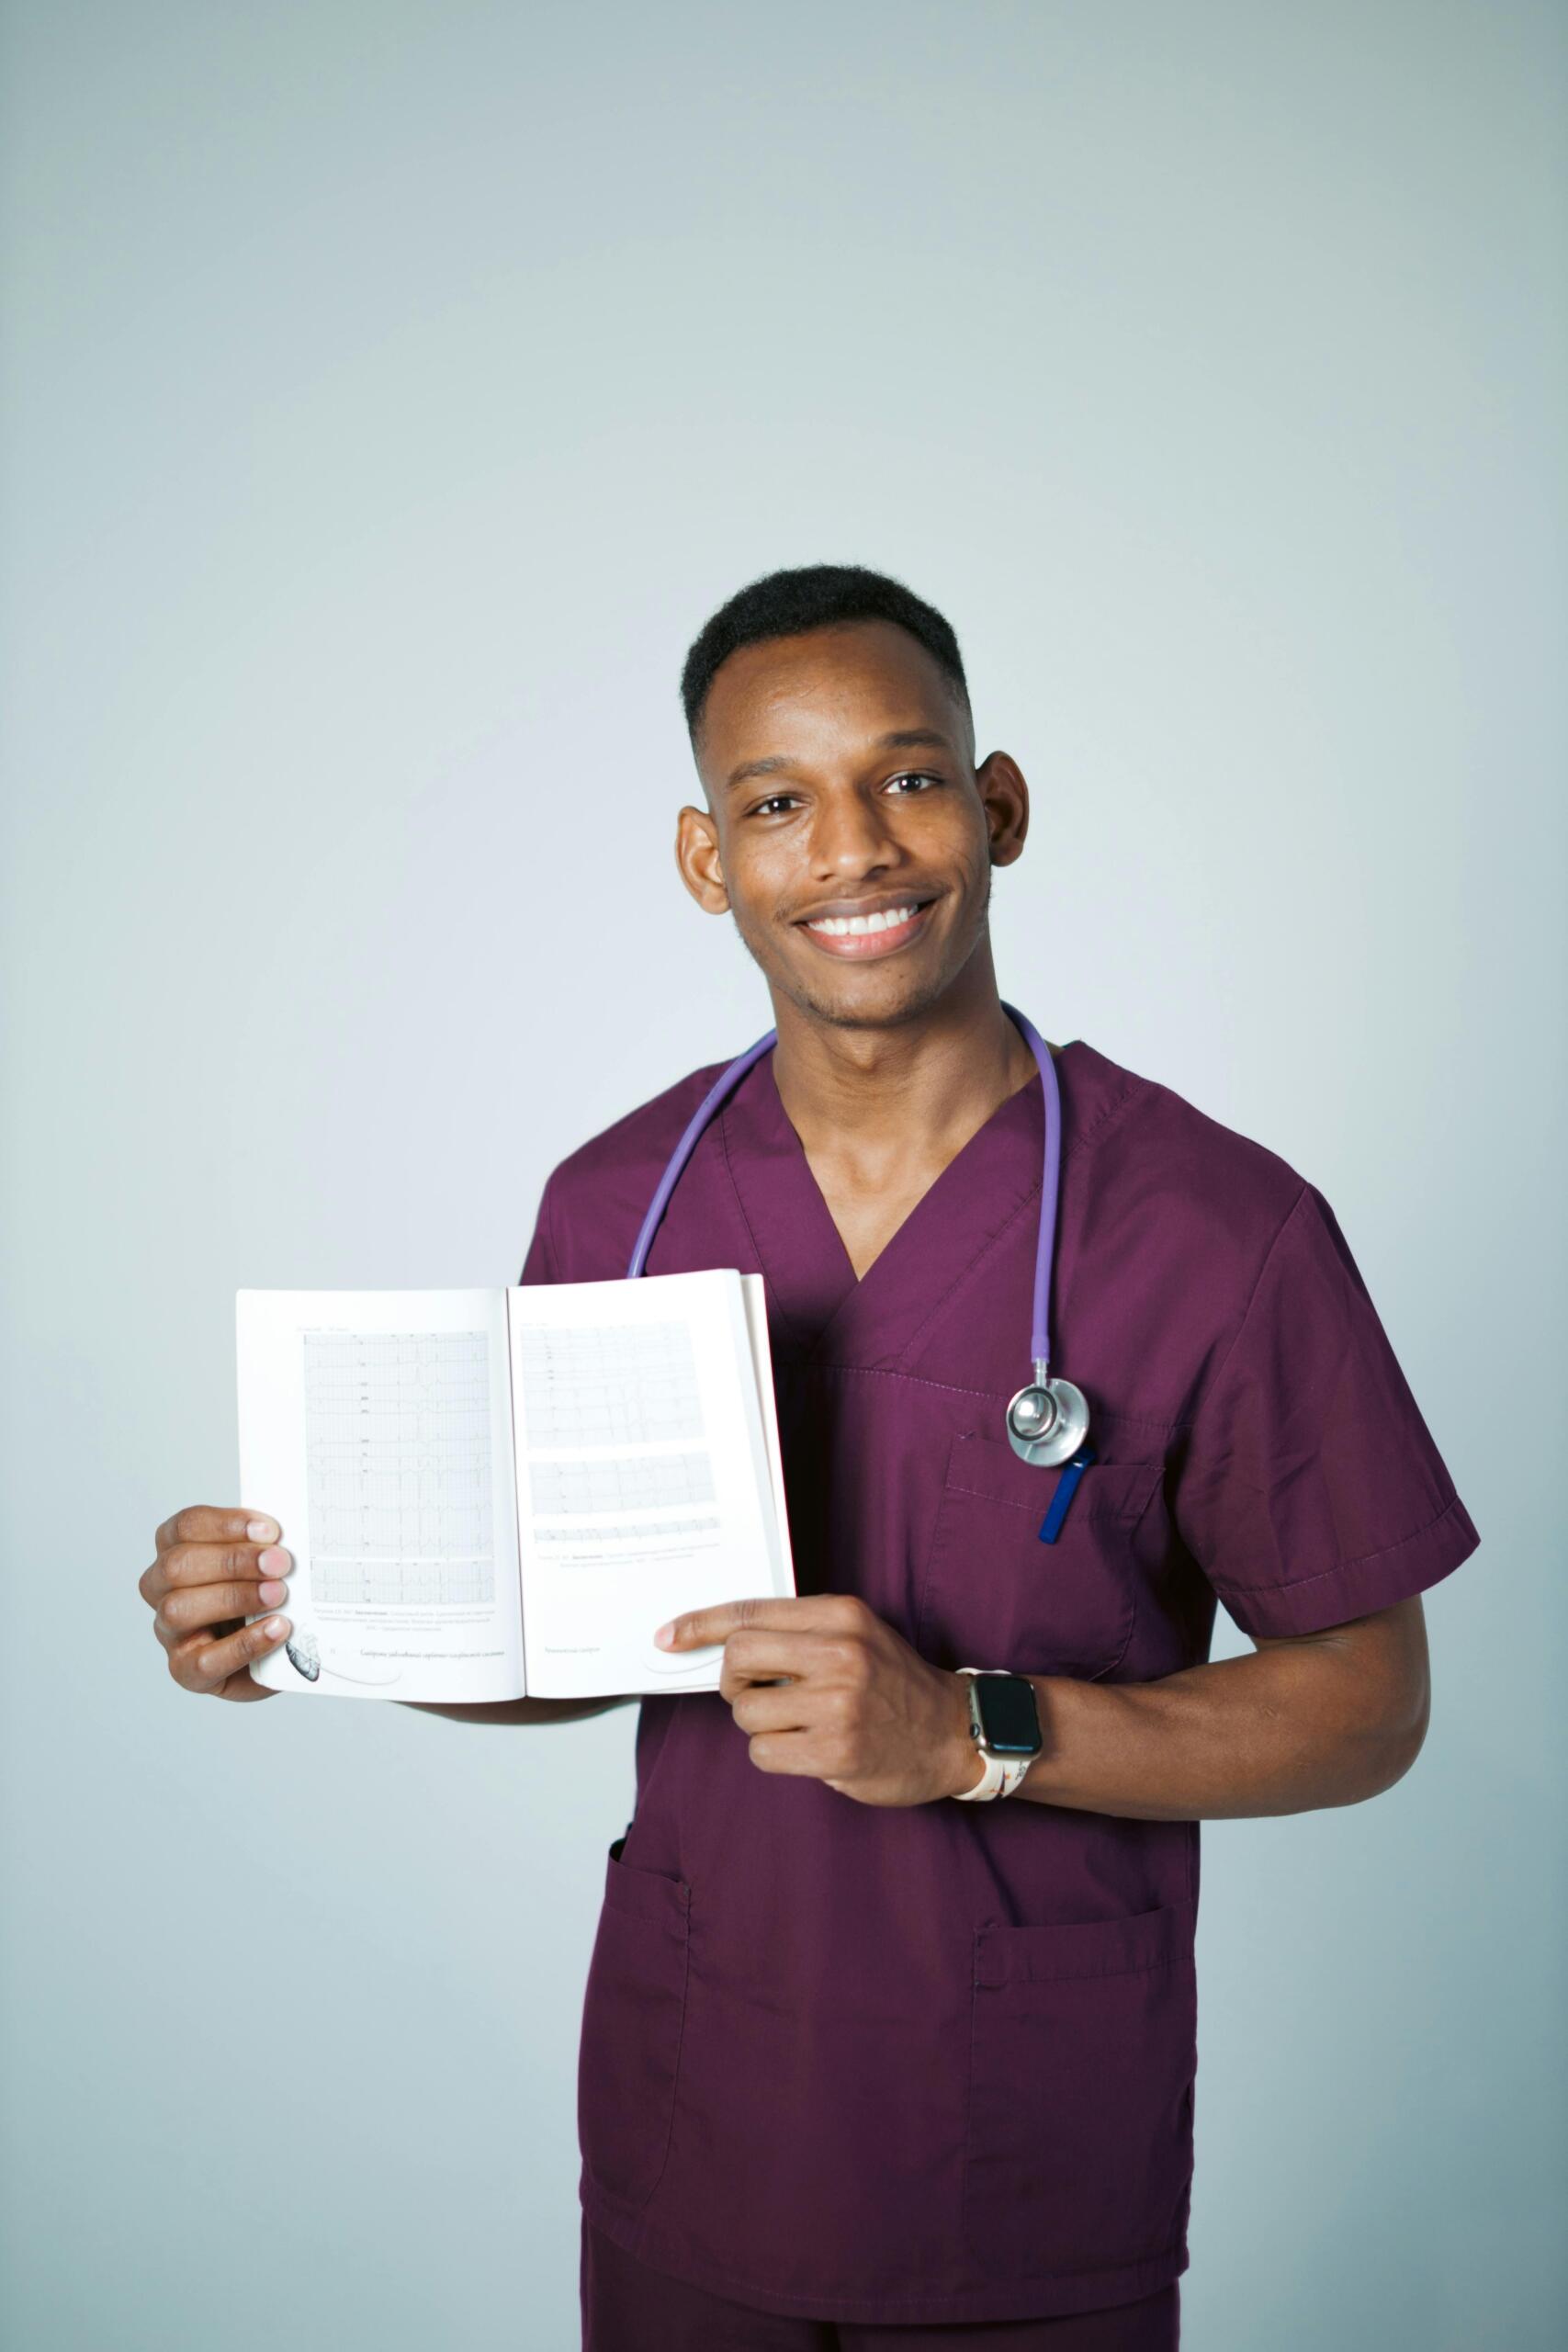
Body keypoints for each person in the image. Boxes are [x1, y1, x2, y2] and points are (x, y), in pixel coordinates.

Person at [140, 564, 1482, 2349]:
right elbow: (565, 1638)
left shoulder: (1212, 1230)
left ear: (995, 808)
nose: (851, 847)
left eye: (907, 778)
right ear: (710, 860)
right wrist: (304, 1616)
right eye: (776, 802)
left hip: (1018, 2155)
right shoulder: (617, 1203)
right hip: (695, 2118)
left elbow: (1365, 1698)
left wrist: (971, 1733)